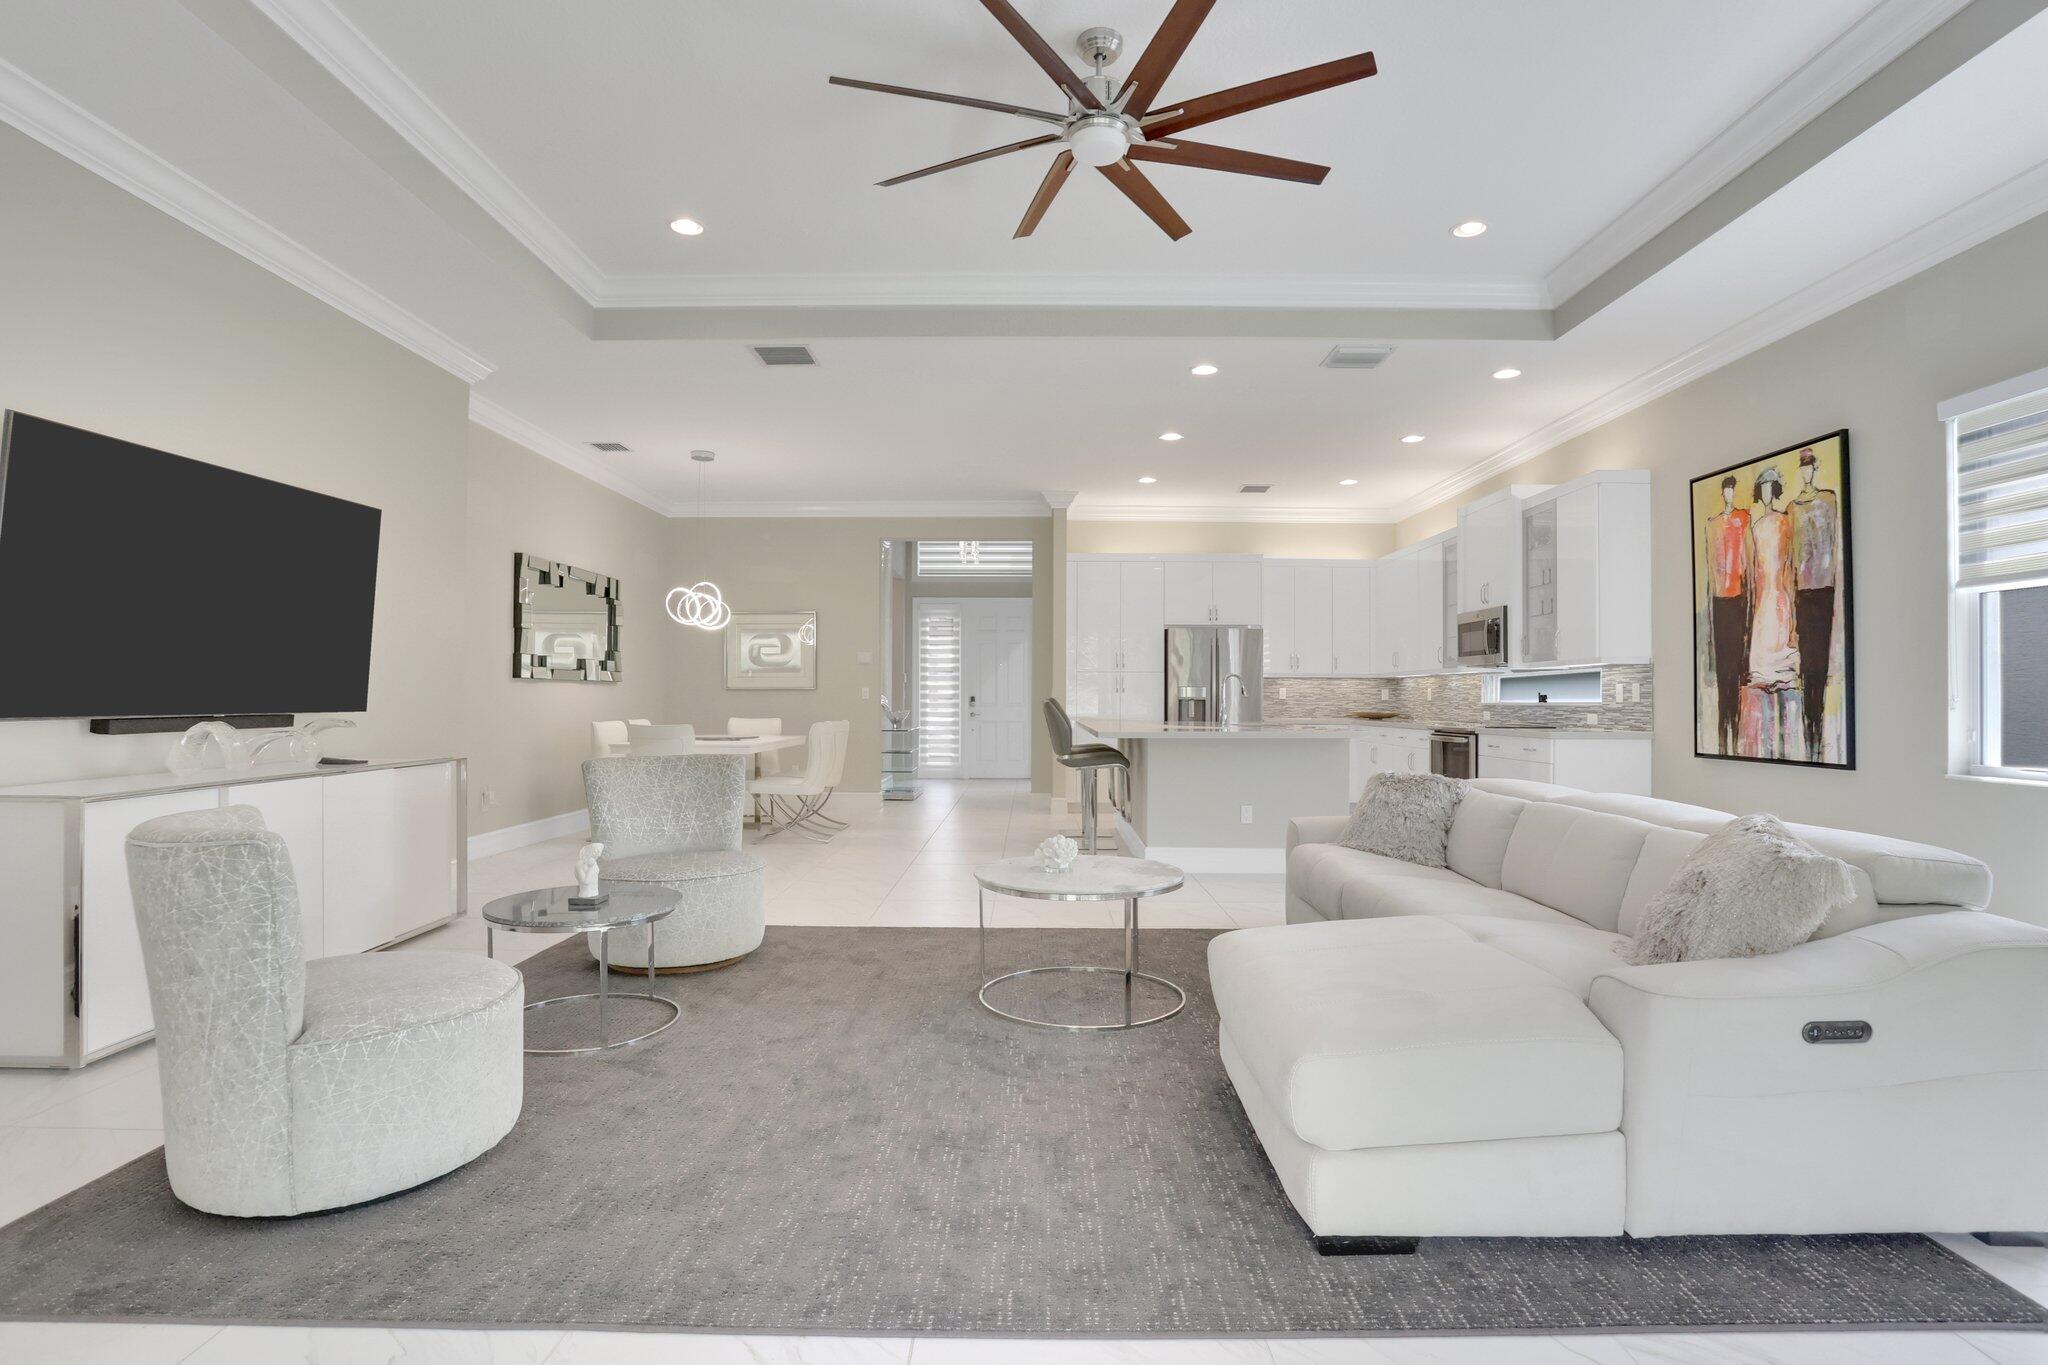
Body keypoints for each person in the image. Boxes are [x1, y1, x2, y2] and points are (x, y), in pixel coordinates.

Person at [1788, 446, 1842, 762]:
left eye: (1810, 465)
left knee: (1819, 663)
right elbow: (1793, 556)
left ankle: (1816, 724)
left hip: (1824, 589)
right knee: (1806, 662)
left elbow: (1835, 548)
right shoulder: (1793, 508)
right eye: (1803, 467)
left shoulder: (1829, 501)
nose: (1806, 470)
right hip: (1802, 592)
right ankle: (1810, 723)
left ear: (1815, 467)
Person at [1744, 466, 1800, 758]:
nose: (1767, 492)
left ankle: (1781, 674)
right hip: (1764, 590)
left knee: (1779, 627)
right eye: (1762, 487)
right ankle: (1765, 675)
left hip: (1778, 588)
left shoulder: (1784, 521)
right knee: (1764, 629)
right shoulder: (1756, 527)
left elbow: (1788, 563)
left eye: (1770, 486)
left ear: (1775, 489)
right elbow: (1755, 569)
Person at [1702, 474, 1750, 754]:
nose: (1729, 494)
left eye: (1733, 489)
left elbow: (1748, 565)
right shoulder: (1712, 525)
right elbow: (1710, 573)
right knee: (1724, 671)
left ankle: (1734, 729)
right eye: (1727, 490)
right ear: (1723, 493)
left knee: (1736, 669)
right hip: (1720, 602)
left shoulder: (1744, 519)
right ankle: (1723, 729)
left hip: (1737, 600)